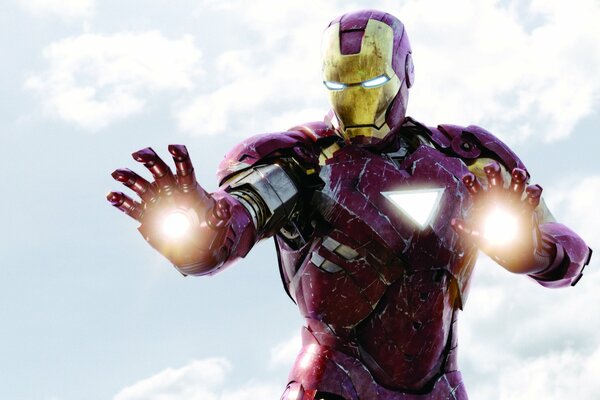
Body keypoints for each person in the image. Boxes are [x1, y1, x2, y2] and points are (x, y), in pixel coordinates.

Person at [107, 9, 592, 400]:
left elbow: (569, 251)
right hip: (333, 383)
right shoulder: (302, 163)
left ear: (404, 73)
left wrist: (537, 250)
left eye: (371, 84)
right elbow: (228, 228)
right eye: (342, 86)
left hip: (439, 385)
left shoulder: (465, 159)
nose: (357, 101)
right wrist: (196, 224)